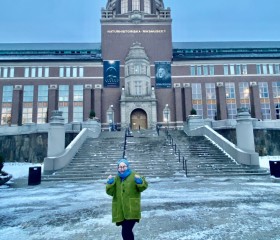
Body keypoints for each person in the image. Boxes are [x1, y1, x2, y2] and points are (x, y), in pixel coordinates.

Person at [106, 158, 148, 240]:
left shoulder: (134, 175)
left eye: (124, 167)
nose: (122, 169)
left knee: (126, 230)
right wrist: (110, 183)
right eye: (120, 167)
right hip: (120, 210)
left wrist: (140, 182)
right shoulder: (116, 178)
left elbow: (143, 187)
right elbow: (110, 192)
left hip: (132, 209)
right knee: (126, 231)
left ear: (127, 167)